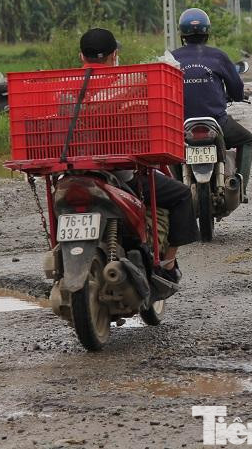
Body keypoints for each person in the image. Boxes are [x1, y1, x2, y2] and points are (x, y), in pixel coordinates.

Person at [79, 27, 195, 285]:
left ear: (81, 56)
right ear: (114, 55)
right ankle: (168, 264)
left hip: (73, 171)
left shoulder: (66, 86)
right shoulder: (127, 84)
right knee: (182, 194)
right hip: (119, 175)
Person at [171, 8, 252, 196]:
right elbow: (236, 87)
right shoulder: (218, 56)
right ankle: (240, 188)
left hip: (179, 125)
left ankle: (176, 184)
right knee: (247, 140)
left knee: (167, 150)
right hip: (217, 122)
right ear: (207, 32)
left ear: (182, 34)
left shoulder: (171, 58)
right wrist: (237, 96)